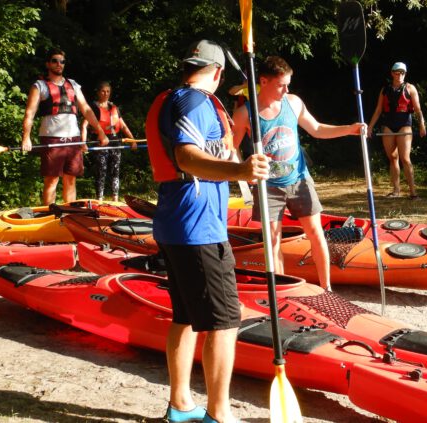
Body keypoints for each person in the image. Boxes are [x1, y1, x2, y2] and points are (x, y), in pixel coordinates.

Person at [146, 39, 269, 423]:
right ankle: (219, 414)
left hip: (180, 224)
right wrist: (241, 171)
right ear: (216, 72)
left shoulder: (177, 98)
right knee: (225, 321)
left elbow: (211, 151)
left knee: (184, 316)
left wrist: (243, 171)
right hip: (196, 228)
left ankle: (181, 406)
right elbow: (187, 156)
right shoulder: (195, 102)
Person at [232, 56, 365, 291]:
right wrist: (243, 170)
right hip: (267, 186)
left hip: (299, 180)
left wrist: (350, 129)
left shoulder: (293, 103)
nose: (287, 89)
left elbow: (317, 129)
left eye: (288, 84)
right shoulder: (245, 113)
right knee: (272, 242)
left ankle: (327, 289)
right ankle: (281, 293)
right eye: (282, 84)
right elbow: (230, 147)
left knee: (316, 233)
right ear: (263, 81)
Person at [22, 48, 109, 205]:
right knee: (52, 181)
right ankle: (50, 216)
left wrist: (101, 133)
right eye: (55, 61)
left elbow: (87, 110)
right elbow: (29, 113)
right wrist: (26, 138)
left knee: (71, 180)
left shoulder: (73, 85)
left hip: (73, 139)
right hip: (52, 139)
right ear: (48, 64)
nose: (59, 64)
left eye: (62, 61)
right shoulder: (39, 86)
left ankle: (70, 214)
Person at [367, 61, 427, 200]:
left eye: (402, 72)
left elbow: (418, 110)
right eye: (397, 72)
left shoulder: (410, 88)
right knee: (393, 158)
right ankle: (396, 191)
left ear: (405, 74)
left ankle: (413, 192)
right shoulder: (385, 90)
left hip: (404, 124)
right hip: (388, 125)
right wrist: (370, 127)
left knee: (405, 159)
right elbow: (378, 110)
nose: (400, 75)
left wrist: (422, 125)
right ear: (392, 73)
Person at [80, 81, 135, 202]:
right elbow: (84, 126)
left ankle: (115, 198)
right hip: (100, 142)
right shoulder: (93, 107)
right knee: (101, 170)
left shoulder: (113, 107)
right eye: (103, 91)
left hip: (115, 141)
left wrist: (132, 140)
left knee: (115, 170)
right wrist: (83, 143)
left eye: (108, 91)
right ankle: (100, 198)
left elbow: (123, 126)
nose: (106, 94)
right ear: (98, 92)